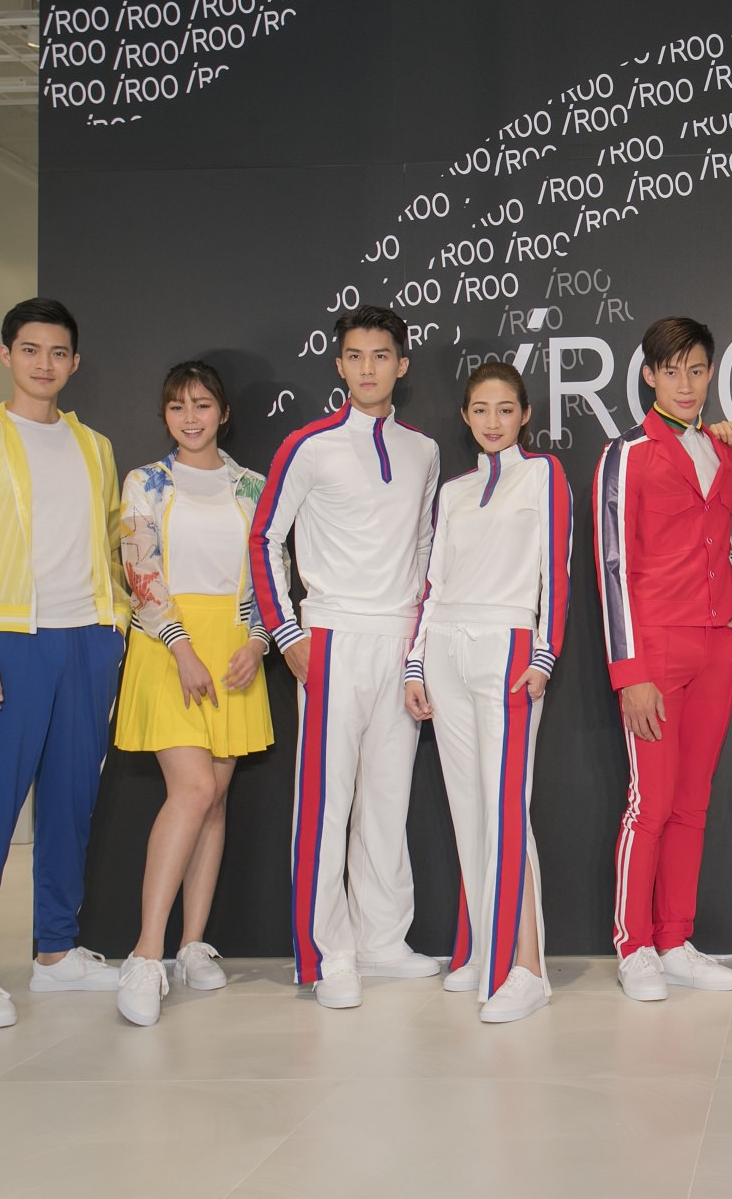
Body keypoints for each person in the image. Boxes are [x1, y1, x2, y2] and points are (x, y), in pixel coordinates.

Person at [0, 298, 129, 1030]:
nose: (44, 364)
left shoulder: (95, 446)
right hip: (6, 643)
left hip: (86, 642)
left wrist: (114, 628)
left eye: (57, 352)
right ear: (6, 354)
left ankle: (55, 951)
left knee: (71, 805)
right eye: (30, 350)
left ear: (75, 362)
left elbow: (112, 541)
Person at [251, 305, 441, 1010]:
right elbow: (263, 538)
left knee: (388, 801)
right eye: (355, 356)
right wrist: (287, 635)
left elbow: (426, 550)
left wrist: (418, 646)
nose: (368, 368)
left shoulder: (424, 451)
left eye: (381, 355)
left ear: (401, 364)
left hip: (400, 639)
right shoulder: (308, 445)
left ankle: (381, 940)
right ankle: (326, 953)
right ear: (339, 365)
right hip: (331, 636)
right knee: (326, 804)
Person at [402, 362, 573, 1024]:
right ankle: (483, 948)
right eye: (481, 409)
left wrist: (544, 653)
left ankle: (525, 967)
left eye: (506, 409)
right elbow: (434, 583)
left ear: (525, 414)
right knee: (468, 806)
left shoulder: (544, 475)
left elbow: (555, 572)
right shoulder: (454, 491)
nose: (493, 421)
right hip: (446, 645)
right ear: (466, 416)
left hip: (507, 647)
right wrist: (416, 664)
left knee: (505, 809)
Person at [111, 361, 276, 1027]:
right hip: (167, 648)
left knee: (215, 800)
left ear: (223, 413)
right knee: (194, 789)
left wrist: (257, 643)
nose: (190, 417)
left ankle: (192, 944)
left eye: (202, 404)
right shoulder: (145, 482)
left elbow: (269, 573)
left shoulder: (253, 486)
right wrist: (180, 647)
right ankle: (145, 954)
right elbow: (140, 571)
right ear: (165, 415)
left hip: (233, 651)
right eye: (178, 406)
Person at [594, 316, 732, 1001]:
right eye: (670, 370)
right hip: (655, 651)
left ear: (710, 373)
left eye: (696, 370)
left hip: (718, 644)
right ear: (649, 375)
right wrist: (629, 672)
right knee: (650, 803)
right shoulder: (625, 453)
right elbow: (612, 565)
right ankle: (634, 947)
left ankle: (674, 940)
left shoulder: (721, 449)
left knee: (692, 803)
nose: (684, 383)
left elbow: (716, 540)